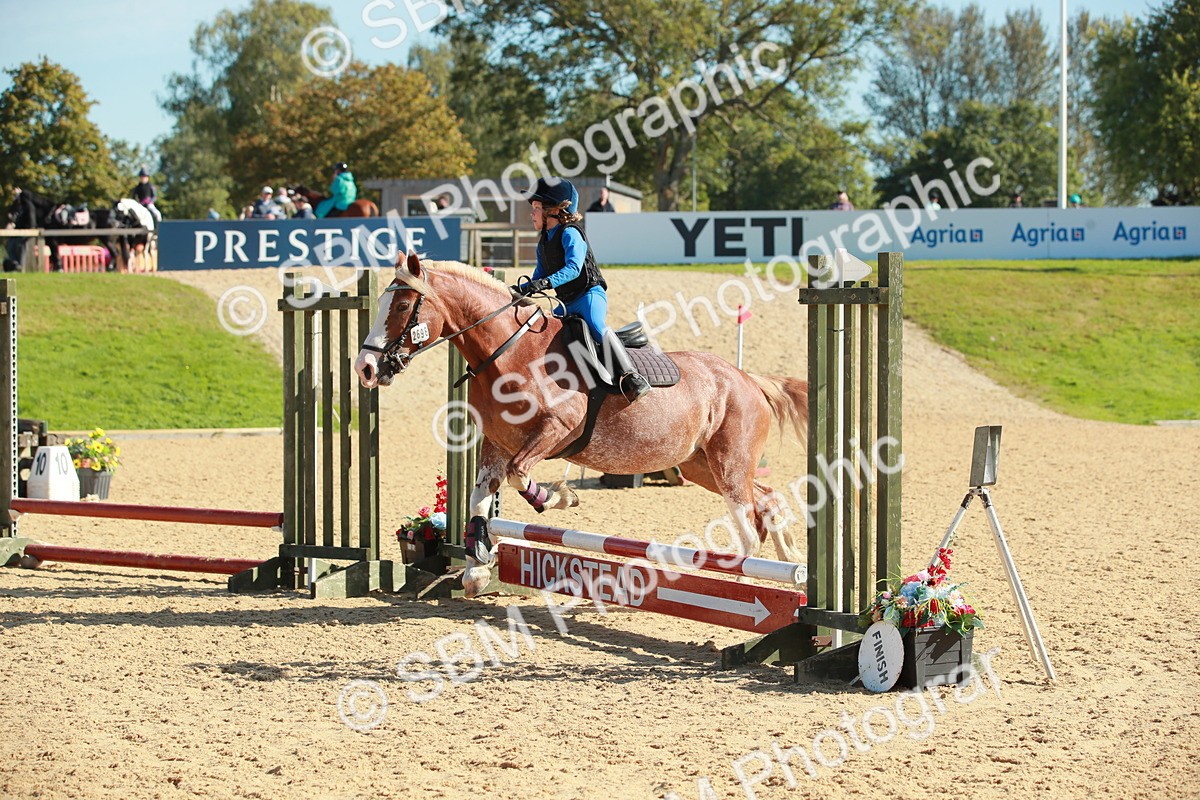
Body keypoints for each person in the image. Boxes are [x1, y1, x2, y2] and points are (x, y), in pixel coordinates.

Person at [511, 177, 651, 403]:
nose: (532, 213)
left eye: (536, 208)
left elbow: (574, 269)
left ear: (554, 211)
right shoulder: (544, 241)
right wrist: (521, 289)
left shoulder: (571, 233)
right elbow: (539, 273)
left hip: (589, 295)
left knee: (596, 325)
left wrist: (546, 284)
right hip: (566, 303)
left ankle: (631, 376)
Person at [4, 187, 38, 272]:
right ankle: (14, 263)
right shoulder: (22, 207)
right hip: (18, 232)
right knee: (11, 244)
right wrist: (17, 196)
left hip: (26, 232)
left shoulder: (29, 207)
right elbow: (14, 209)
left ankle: (19, 265)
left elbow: (32, 223)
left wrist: (30, 230)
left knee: (19, 246)